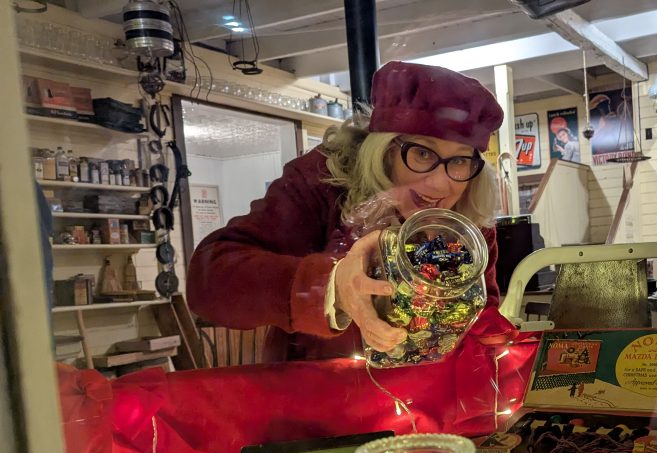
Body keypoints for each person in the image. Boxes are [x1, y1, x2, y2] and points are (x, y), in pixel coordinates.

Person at [186, 61, 505, 362]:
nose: (439, 184)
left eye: (461, 160)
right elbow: (208, 281)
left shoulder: (466, 219)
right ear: (385, 149)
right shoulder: (321, 182)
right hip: (319, 401)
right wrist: (332, 286)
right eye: (422, 153)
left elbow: (482, 322)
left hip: (430, 403)